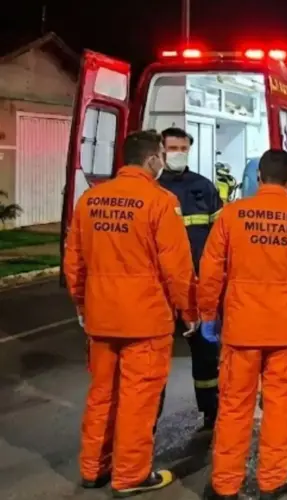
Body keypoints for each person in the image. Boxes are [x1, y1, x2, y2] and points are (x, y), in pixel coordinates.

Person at [64, 129, 197, 497]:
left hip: (101, 317)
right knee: (138, 400)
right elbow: (177, 268)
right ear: (152, 159)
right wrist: (189, 309)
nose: (164, 162)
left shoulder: (91, 200)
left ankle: (94, 467)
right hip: (145, 320)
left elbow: (74, 260)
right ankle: (130, 475)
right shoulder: (160, 201)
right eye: (162, 155)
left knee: (102, 394)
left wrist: (82, 303)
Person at [197, 149, 287, 500]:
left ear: (258, 177)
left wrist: (208, 315)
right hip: (286, 331)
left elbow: (211, 270)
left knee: (234, 407)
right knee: (279, 408)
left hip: (241, 329)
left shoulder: (232, 215)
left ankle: (225, 485)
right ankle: (272, 481)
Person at [155, 127, 222, 434]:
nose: (179, 154)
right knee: (153, 357)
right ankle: (149, 417)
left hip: (197, 285)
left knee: (206, 351)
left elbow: (220, 238)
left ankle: (211, 409)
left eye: (183, 148)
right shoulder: (152, 189)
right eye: (173, 148)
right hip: (159, 289)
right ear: (160, 151)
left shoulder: (203, 187)